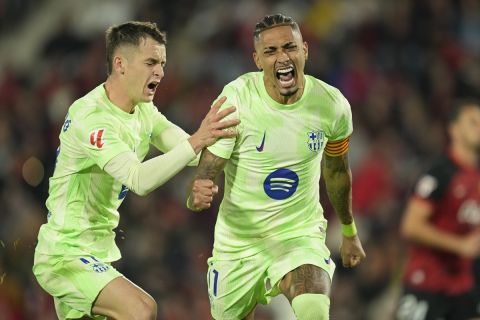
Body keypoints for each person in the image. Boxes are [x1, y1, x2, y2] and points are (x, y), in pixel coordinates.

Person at [32, 21, 240, 320]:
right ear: (120, 64)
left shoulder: (143, 111)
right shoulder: (90, 118)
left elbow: (190, 152)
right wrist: (198, 141)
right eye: (151, 62)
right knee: (142, 310)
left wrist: (233, 139)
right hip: (64, 256)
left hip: (98, 254)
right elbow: (138, 179)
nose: (161, 72)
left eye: (163, 63)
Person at [187, 14, 366, 320]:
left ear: (305, 51)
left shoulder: (331, 105)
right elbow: (208, 168)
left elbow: (336, 171)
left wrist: (349, 231)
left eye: (289, 47)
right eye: (271, 51)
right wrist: (197, 193)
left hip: (298, 234)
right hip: (240, 243)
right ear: (257, 60)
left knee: (314, 308)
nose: (282, 57)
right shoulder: (237, 100)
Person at [397, 100, 480, 320]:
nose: (479, 127)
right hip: (428, 282)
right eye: (472, 122)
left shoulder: (475, 177)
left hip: (463, 284)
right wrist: (459, 245)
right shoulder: (441, 173)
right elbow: (411, 226)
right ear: (454, 129)